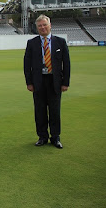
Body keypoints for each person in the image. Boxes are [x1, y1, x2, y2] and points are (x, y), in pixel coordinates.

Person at [24, 15, 70, 149]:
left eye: (44, 25)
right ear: (37, 28)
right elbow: (27, 65)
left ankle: (55, 137)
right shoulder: (31, 43)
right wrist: (29, 82)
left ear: (50, 26)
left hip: (54, 81)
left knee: (55, 111)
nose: (42, 28)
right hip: (39, 81)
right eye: (40, 26)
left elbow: (66, 64)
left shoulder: (60, 42)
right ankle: (42, 137)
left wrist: (65, 82)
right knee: (40, 111)